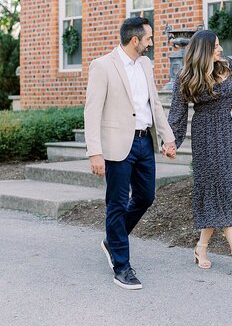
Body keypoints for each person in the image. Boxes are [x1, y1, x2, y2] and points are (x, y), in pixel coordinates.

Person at [84, 17, 177, 290]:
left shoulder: (145, 64)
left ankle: (112, 240)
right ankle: (121, 266)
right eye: (148, 38)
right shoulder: (102, 66)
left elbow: (155, 103)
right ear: (135, 40)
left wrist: (167, 137)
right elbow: (92, 111)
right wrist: (94, 152)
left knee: (146, 196)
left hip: (143, 142)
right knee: (116, 203)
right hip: (115, 145)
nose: (151, 43)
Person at [168, 29, 232, 279]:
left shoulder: (230, 66)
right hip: (206, 136)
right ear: (204, 50)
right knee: (215, 189)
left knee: (227, 186)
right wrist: (171, 142)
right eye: (216, 46)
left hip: (230, 133)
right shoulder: (186, 76)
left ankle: (202, 247)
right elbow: (177, 113)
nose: (220, 49)